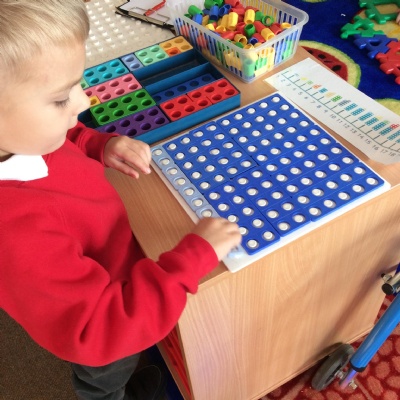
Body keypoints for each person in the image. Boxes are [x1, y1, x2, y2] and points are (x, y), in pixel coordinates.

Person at [0, 1, 242, 399]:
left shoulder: (20, 139)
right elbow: (100, 331)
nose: (84, 103)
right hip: (105, 315)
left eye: (76, 85)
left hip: (114, 263)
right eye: (60, 99)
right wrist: (192, 259)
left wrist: (98, 144)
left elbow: (60, 142)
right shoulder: (15, 236)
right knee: (105, 375)